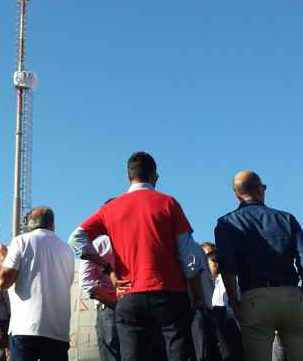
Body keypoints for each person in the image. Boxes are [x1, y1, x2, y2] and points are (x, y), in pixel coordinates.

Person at [70, 152, 203, 361]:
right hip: (169, 294)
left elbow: (76, 238)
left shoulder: (110, 208)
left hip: (130, 295)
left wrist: (107, 270)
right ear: (154, 176)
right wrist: (198, 295)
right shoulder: (169, 203)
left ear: (128, 176)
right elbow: (189, 257)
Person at [214, 170, 303, 361]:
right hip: (290, 294)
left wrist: (235, 302)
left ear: (236, 195)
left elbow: (228, 268)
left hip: (255, 297)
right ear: (260, 189)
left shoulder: (226, 223)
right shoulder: (286, 219)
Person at [0, 206, 74, 361]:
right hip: (58, 332)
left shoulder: (21, 241)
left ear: (29, 225)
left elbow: (2, 282)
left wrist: (3, 259)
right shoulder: (67, 250)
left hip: (27, 328)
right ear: (52, 225)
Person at [78, 234, 120, 361]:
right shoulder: (137, 238)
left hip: (109, 309)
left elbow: (86, 281)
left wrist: (114, 303)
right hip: (136, 303)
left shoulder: (99, 244)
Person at [205, 247, 243, 361]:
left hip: (230, 329)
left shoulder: (223, 283)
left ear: (216, 264)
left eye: (209, 265)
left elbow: (226, 308)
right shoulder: (216, 282)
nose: (207, 269)